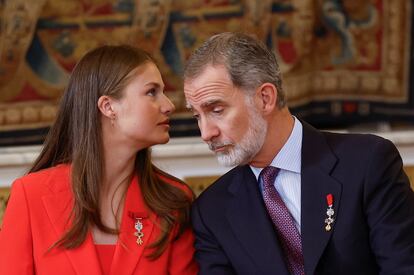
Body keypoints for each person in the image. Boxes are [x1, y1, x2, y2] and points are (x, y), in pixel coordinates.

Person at [183, 32, 414, 275]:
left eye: (217, 110)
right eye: (197, 116)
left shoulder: (368, 162)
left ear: (265, 98)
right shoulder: (211, 211)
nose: (206, 133)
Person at [0, 45, 198, 275]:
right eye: (152, 92)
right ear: (108, 106)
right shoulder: (31, 195)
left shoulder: (173, 202)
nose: (169, 105)